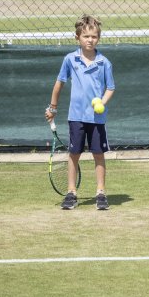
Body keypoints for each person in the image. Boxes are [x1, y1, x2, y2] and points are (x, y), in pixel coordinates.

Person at [44, 15, 115, 210]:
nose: (90, 40)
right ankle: (71, 192)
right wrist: (53, 108)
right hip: (75, 117)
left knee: (98, 154)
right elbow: (59, 83)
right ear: (77, 38)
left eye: (94, 36)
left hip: (97, 118)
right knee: (74, 154)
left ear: (98, 38)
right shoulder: (70, 59)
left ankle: (101, 193)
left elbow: (110, 88)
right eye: (86, 36)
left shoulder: (104, 63)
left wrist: (102, 101)